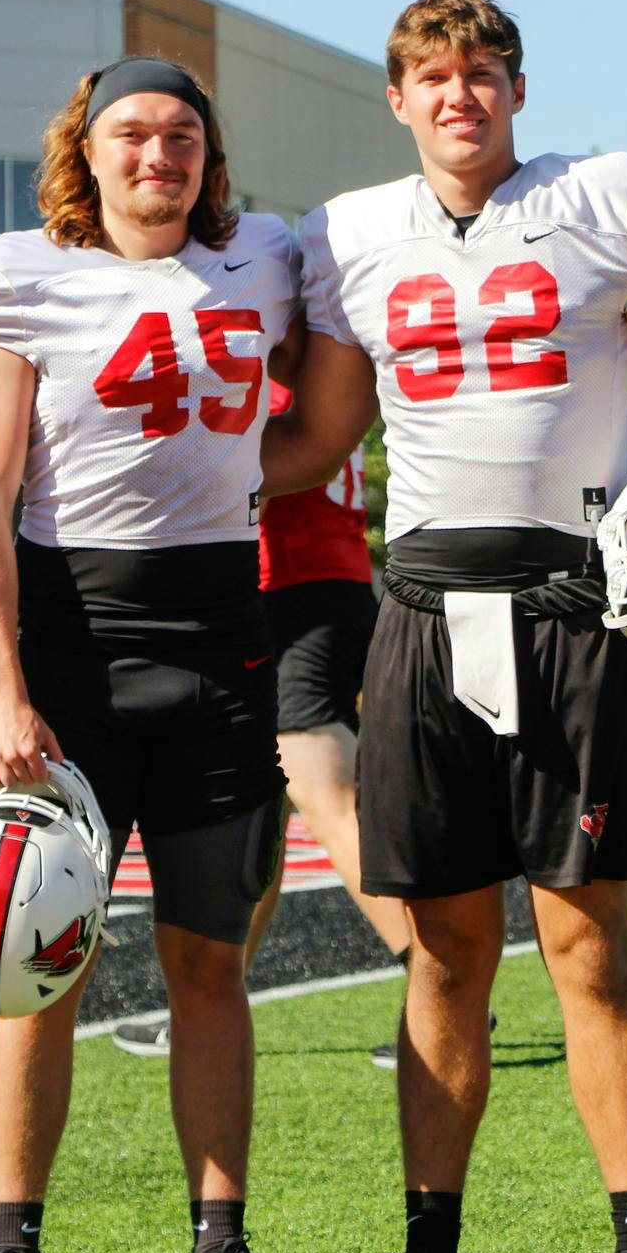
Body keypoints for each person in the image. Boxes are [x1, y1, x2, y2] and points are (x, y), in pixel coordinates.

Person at [262, 0, 627, 1253]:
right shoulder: (345, 238)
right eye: (434, 77)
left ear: (518, 88)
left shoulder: (601, 201)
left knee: (588, 946)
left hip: (571, 604)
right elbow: (315, 442)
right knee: (444, 958)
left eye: (484, 72)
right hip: (418, 612)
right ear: (395, 100)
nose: (461, 94)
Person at [0, 55, 310, 1253]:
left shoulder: (264, 256)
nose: (161, 155)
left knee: (211, 963)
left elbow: (326, 401)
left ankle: (220, 1250)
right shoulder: (13, 279)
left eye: (184, 135)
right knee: (35, 975)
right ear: (83, 150)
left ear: (211, 152)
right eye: (134, 134)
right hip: (73, 665)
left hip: (221, 655)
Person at [111, 382, 411, 1060]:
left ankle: (436, 982)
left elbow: (241, 490)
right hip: (325, 589)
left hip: (293, 595)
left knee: (321, 792)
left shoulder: (270, 383)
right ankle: (205, 999)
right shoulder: (313, 381)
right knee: (260, 808)